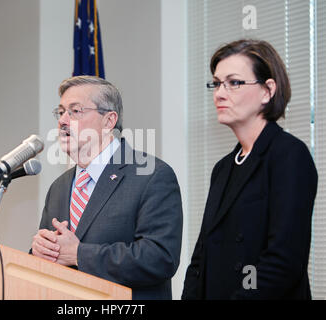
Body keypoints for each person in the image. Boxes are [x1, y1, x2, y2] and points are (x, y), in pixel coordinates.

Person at [182, 39, 318, 300]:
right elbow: (201, 259)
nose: (220, 93)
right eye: (217, 83)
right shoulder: (223, 168)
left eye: (234, 83)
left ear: (267, 91)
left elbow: (283, 261)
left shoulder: (289, 155)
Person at [31, 75, 183, 299]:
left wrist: (79, 254)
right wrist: (38, 252)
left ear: (109, 121)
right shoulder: (59, 187)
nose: (63, 120)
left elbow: (159, 258)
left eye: (75, 111)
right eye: (61, 111)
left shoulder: (151, 175)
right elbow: (54, 259)